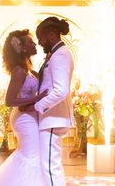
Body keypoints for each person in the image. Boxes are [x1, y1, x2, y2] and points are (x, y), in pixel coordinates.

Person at [0, 29, 47, 186]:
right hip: (24, 119)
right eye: (30, 42)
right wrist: (36, 98)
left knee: (29, 154)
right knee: (31, 156)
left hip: (28, 116)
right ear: (22, 48)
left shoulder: (28, 69)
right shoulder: (19, 71)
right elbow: (9, 100)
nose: (34, 44)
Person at [24, 17, 74, 186]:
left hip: (53, 118)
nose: (39, 42)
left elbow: (61, 90)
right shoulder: (57, 54)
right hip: (52, 118)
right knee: (51, 165)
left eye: (41, 38)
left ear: (52, 34)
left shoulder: (60, 55)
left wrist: (38, 106)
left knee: (50, 167)